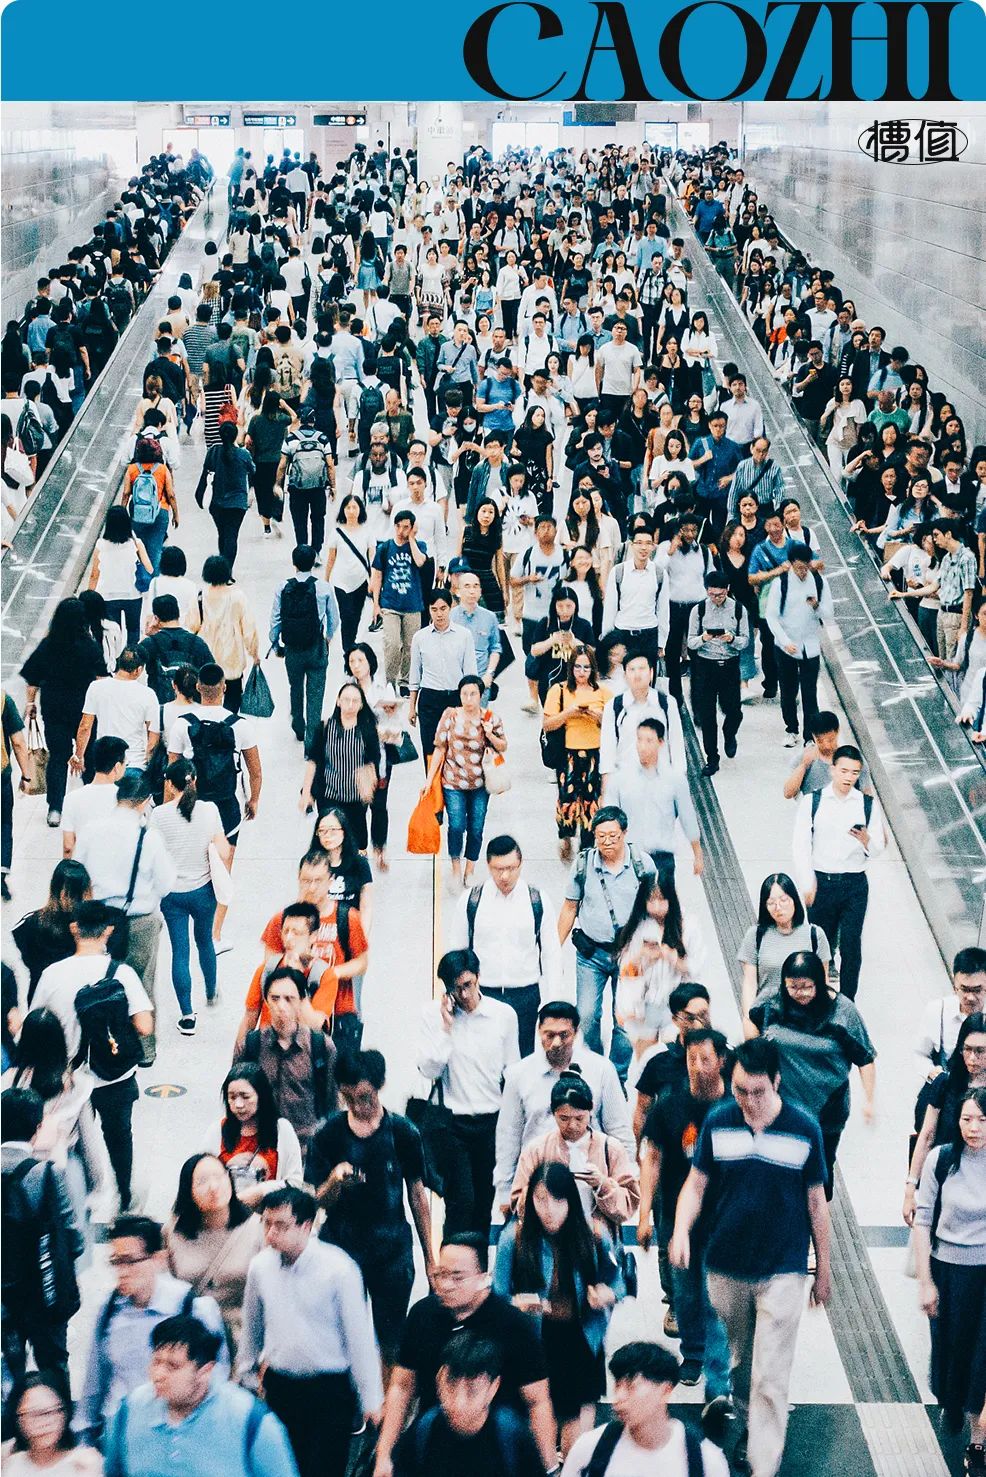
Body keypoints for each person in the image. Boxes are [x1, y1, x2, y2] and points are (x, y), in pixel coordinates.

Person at [670, 1038, 831, 1477]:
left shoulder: (803, 1128)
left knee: (771, 1375)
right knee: (742, 1366)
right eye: (740, 1090)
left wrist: (824, 1270)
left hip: (783, 1267)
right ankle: (748, 1423)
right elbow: (696, 1184)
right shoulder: (719, 1121)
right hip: (726, 1265)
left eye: (758, 1092)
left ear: (776, 1082)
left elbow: (817, 1203)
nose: (748, 1101)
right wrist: (681, 1230)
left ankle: (764, 1464)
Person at [373, 1234, 555, 1477]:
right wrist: (384, 1455)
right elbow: (401, 1387)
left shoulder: (513, 1325)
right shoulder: (422, 1316)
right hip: (435, 1443)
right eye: (441, 1275)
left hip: (497, 1449)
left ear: (483, 1277)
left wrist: (548, 1468)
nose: (446, 1285)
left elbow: (538, 1401)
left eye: (457, 1277)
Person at [238, 1185, 384, 1477]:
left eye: (281, 1226)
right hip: (281, 1385)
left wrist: (371, 1399)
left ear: (306, 1226)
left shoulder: (339, 1269)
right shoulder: (260, 1267)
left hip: (329, 1389)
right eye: (267, 1224)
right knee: (282, 1468)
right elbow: (251, 1324)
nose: (271, 1234)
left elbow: (359, 1338)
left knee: (324, 1470)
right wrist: (245, 1374)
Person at [308, 1049, 435, 1367]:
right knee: (337, 1336)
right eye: (348, 1098)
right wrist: (335, 1181)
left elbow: (417, 1196)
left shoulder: (403, 1132)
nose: (357, 1106)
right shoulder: (327, 1134)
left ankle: (386, 1398)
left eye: (364, 1097)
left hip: (390, 1249)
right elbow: (316, 1200)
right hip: (341, 1247)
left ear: (380, 1086)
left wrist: (430, 1258)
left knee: (391, 1340)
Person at [494, 1162, 624, 1456]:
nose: (549, 1209)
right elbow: (497, 1296)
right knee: (541, 1438)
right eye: (540, 1200)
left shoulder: (593, 1234)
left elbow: (619, 1281)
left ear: (570, 1201)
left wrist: (607, 1294)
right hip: (535, 1340)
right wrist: (517, 1304)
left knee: (576, 1443)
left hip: (582, 1338)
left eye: (557, 1200)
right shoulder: (513, 1238)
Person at [32, 899, 153, 1213]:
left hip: (67, 1077)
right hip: (114, 1073)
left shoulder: (51, 974)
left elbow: (37, 1023)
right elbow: (145, 1025)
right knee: (118, 1136)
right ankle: (124, 1194)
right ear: (108, 931)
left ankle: (78, 1197)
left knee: (72, 1140)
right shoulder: (121, 973)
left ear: (74, 929)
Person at [74, 1214, 228, 1447]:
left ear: (158, 1259)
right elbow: (95, 1380)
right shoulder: (110, 1310)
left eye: (129, 1261)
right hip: (119, 1434)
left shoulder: (192, 1308)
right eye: (115, 1262)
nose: (121, 1271)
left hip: (175, 1436)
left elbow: (217, 1380)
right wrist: (84, 1437)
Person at [639, 1029, 733, 1397]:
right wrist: (644, 1214)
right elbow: (653, 1158)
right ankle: (692, 1353)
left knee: (714, 1298)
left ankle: (718, 1377)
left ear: (721, 1061)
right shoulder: (670, 1106)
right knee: (685, 1292)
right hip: (675, 1217)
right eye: (692, 1059)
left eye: (705, 1059)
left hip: (722, 1218)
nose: (697, 1067)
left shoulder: (733, 1108)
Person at [103, 1314, 298, 1477]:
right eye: (156, 1362)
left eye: (173, 1366)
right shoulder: (128, 1411)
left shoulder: (251, 1421)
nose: (158, 1375)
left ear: (205, 1372)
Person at [749, 950, 876, 1195]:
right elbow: (751, 1019)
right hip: (781, 1104)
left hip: (828, 1109)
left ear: (820, 981)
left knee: (819, 1172)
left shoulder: (843, 1012)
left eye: (807, 987)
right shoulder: (772, 1002)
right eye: (793, 987)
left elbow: (866, 1058)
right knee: (780, 1166)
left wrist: (869, 1101)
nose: (800, 993)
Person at [494, 1001, 635, 1215]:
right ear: (539, 1031)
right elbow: (508, 1136)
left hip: (591, 1189)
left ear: (576, 1033)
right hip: (538, 1185)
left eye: (564, 1035)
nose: (556, 1042)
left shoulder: (601, 1070)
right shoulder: (518, 1075)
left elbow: (619, 1130)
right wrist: (505, 1192)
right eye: (549, 1035)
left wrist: (622, 1183)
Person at [417, 949, 519, 1240]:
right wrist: (446, 1029)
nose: (463, 995)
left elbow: (512, 1071)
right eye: (456, 989)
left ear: (478, 978)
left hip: (491, 1121)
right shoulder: (433, 1015)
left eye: (467, 985)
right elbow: (428, 1069)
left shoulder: (503, 1015)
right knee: (460, 1202)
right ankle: (452, 1264)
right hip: (453, 1123)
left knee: (484, 1204)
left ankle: (478, 1266)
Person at [912, 1086, 986, 1467]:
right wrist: (926, 1281)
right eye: (967, 1119)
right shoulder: (941, 1160)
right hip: (949, 1271)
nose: (974, 1128)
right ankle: (952, 1403)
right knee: (951, 1353)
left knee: (981, 1357)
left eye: (983, 1120)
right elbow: (923, 1220)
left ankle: (977, 1440)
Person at [557, 807, 657, 1081]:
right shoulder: (582, 865)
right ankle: (595, 1069)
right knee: (586, 1016)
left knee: (625, 1021)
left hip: (631, 955)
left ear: (625, 833)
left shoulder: (643, 865)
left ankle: (616, 1076)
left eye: (613, 836)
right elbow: (569, 908)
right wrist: (554, 950)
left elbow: (655, 908)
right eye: (601, 836)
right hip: (591, 954)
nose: (607, 842)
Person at [167, 664, 263, 944]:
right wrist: (254, 799)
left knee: (193, 867)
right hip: (226, 808)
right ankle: (214, 933)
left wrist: (168, 808)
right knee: (223, 871)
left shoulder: (182, 724)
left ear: (198, 688)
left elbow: (171, 772)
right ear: (224, 687)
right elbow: (255, 771)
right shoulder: (240, 726)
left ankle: (192, 923)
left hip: (191, 806)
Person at [447, 834, 561, 1056]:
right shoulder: (471, 901)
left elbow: (551, 953)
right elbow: (457, 952)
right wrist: (455, 994)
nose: (505, 876)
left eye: (511, 868)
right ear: (488, 865)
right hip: (483, 995)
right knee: (482, 1057)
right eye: (498, 869)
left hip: (525, 996)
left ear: (521, 863)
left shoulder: (537, 900)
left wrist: (554, 1002)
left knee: (523, 1058)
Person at [73, 771, 176, 1018]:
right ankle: (142, 1039)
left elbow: (76, 874)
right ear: (145, 801)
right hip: (140, 921)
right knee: (140, 990)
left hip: (97, 921)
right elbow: (165, 885)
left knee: (95, 985)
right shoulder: (149, 838)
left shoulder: (90, 831)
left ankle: (99, 1035)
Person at [1, 1087, 84, 1390]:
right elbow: (73, 1237)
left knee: (10, 1366)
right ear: (36, 1129)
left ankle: (14, 1413)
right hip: (43, 1292)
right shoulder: (47, 1174)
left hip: (4, 1297)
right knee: (54, 1363)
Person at [793, 745, 886, 1001]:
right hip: (822, 882)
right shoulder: (813, 802)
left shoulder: (866, 805)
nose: (848, 777)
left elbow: (878, 846)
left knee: (851, 945)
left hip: (854, 883)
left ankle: (847, 1001)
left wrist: (867, 841)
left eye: (854, 773)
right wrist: (807, 883)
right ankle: (817, 998)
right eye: (844, 771)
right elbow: (801, 845)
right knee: (819, 944)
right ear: (832, 769)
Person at [560, 1341, 730, 1477]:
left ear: (665, 1391)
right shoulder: (589, 1449)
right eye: (617, 1386)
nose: (619, 1397)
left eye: (631, 1386)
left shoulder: (705, 1462)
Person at [149, 758, 230, 1033]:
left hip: (172, 894)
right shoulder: (209, 810)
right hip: (203, 891)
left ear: (169, 785)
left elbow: (153, 854)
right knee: (205, 941)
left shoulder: (159, 815)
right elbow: (224, 851)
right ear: (194, 780)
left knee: (180, 952)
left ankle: (187, 1015)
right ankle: (211, 991)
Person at [510, 1071, 639, 1237]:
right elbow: (518, 1203)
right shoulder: (536, 1149)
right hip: (548, 1238)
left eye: (579, 1118)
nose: (572, 1125)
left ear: (591, 1111)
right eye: (564, 1118)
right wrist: (541, 1190)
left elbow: (628, 1205)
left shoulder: (611, 1148)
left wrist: (602, 1184)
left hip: (597, 1237)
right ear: (553, 1113)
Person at [164, 1154, 265, 1351]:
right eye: (202, 1181)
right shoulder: (173, 1233)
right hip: (193, 1342)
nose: (213, 1187)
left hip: (244, 1338)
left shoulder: (257, 1228)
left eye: (219, 1177)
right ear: (188, 1190)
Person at [20, 597, 107, 826]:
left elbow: (32, 678)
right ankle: (93, 803)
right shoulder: (89, 646)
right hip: (84, 709)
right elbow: (101, 677)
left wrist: (30, 704)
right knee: (88, 755)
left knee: (58, 758)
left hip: (54, 708)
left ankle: (55, 809)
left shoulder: (48, 645)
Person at [238, 966, 337, 1157]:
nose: (281, 1006)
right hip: (262, 1149)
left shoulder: (321, 1047)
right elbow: (235, 1096)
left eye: (289, 999)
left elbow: (332, 1103)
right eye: (275, 998)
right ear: (266, 1000)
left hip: (307, 1149)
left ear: (301, 1001)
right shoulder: (251, 1046)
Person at [424, 674, 507, 888]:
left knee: (476, 828)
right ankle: (455, 869)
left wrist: (490, 734)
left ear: (480, 696)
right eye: (464, 694)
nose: (468, 699)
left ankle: (470, 870)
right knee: (456, 826)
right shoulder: (450, 715)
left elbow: (503, 746)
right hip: (453, 782)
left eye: (473, 694)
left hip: (480, 783)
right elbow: (440, 747)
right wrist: (429, 779)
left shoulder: (490, 718)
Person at [607, 719, 702, 875]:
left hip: (663, 857)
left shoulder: (674, 780)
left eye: (649, 741)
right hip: (630, 857)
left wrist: (697, 854)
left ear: (660, 742)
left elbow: (687, 816)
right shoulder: (621, 779)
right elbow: (609, 818)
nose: (642, 746)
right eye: (639, 739)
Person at [543, 647, 612, 859]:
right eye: (578, 667)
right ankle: (565, 835)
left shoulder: (603, 693)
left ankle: (587, 846)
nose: (582, 672)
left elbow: (613, 724)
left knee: (592, 800)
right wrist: (569, 712)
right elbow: (548, 724)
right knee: (567, 797)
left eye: (586, 667)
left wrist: (595, 714)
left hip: (595, 753)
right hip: (568, 753)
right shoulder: (559, 690)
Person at [271, 544, 340, 749]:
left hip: (292, 648)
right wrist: (327, 639)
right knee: (315, 693)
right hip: (316, 646)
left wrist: (275, 645)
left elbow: (275, 620)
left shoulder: (283, 587)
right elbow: (334, 619)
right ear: (313, 562)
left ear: (294, 563)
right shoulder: (323, 588)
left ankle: (298, 723)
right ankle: (311, 741)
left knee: (295, 686)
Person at [738, 872, 831, 1022]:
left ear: (794, 899)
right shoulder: (755, 935)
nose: (778, 907)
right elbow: (749, 983)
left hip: (807, 1016)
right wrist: (748, 1018)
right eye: (771, 903)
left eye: (784, 900)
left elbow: (823, 982)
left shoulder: (815, 934)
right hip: (768, 1015)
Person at [764, 543, 834, 745]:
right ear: (791, 564)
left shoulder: (819, 582)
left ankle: (809, 736)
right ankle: (791, 729)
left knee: (810, 693)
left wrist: (816, 606)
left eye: (805, 567)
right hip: (785, 646)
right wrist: (785, 642)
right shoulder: (781, 583)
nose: (802, 572)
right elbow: (771, 616)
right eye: (798, 568)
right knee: (788, 691)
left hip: (810, 647)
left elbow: (829, 614)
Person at [687, 567, 751, 776]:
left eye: (721, 595)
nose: (716, 599)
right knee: (707, 716)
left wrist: (731, 639)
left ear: (727, 589)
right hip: (705, 666)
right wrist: (704, 638)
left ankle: (729, 733)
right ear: (706, 590)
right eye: (712, 594)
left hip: (729, 665)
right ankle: (712, 758)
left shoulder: (738, 609)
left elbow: (745, 640)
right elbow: (690, 642)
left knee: (734, 711)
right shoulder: (698, 610)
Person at [408, 588, 474, 764]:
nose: (439, 614)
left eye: (443, 608)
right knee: (431, 751)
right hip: (430, 699)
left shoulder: (464, 636)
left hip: (455, 698)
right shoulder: (420, 637)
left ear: (450, 608)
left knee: (457, 750)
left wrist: (471, 706)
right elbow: (415, 675)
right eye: (434, 609)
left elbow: (470, 675)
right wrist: (411, 707)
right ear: (429, 610)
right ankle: (432, 782)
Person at [186, 561, 260, 716]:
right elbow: (249, 628)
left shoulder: (200, 597)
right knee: (233, 695)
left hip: (206, 657)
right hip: (232, 657)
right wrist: (254, 653)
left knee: (206, 696)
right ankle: (227, 723)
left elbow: (191, 626)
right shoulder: (237, 596)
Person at [73, 649, 159, 780]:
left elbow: (85, 726)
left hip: (105, 764)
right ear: (138, 670)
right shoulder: (148, 694)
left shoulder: (96, 687)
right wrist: (150, 763)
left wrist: (79, 756)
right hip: (134, 763)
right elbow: (153, 736)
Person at [371, 511, 432, 694]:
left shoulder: (419, 545)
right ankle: (390, 682)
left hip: (413, 604)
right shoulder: (385, 548)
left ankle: (405, 681)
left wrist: (411, 538)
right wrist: (376, 604)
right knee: (392, 644)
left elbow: (420, 562)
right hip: (390, 604)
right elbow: (377, 576)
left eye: (406, 527)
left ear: (412, 528)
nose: (401, 531)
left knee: (410, 646)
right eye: (398, 526)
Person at [3, 1370, 103, 1476]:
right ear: (18, 1419)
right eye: (33, 1414)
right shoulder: (8, 1464)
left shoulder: (83, 1465)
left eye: (50, 1412)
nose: (43, 1423)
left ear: (65, 1413)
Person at [914, 947, 986, 1087]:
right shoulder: (937, 1010)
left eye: (977, 990)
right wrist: (932, 1073)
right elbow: (920, 1054)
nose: (970, 997)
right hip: (948, 1090)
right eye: (964, 989)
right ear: (954, 984)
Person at [86, 508, 153, 645]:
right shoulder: (136, 543)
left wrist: (89, 595)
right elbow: (150, 569)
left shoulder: (101, 545)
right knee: (133, 630)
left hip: (107, 595)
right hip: (133, 594)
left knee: (112, 633)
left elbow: (94, 575)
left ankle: (115, 656)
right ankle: (131, 656)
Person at [195, 421, 253, 570]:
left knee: (222, 534)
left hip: (217, 502)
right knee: (232, 536)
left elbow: (205, 474)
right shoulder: (243, 454)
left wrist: (199, 494)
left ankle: (223, 566)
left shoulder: (213, 452)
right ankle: (227, 570)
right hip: (237, 502)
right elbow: (253, 471)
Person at [782, 710, 874, 801]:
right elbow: (788, 793)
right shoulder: (803, 758)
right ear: (813, 736)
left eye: (830, 740)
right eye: (820, 741)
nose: (827, 746)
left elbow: (866, 792)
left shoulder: (853, 758)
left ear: (837, 731)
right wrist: (804, 765)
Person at [278, 408, 335, 555]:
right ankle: (316, 551)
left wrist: (278, 484)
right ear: (313, 420)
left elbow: (283, 465)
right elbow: (330, 464)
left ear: (300, 420)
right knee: (318, 519)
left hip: (297, 488)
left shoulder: (290, 439)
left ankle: (303, 550)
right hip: (318, 487)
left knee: (299, 520)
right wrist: (333, 486)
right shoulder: (322, 438)